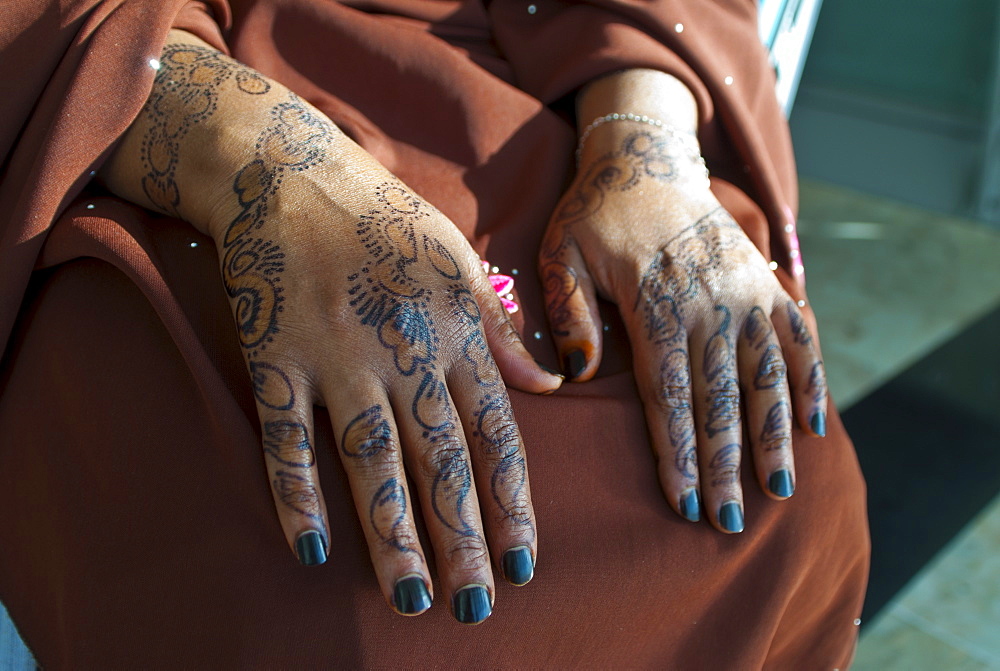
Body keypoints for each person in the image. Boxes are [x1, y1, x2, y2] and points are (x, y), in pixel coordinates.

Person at [0, 0, 869, 666]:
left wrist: (644, 144)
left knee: (786, 478)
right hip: (155, 84)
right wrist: (265, 163)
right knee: (309, 582)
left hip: (530, 76)